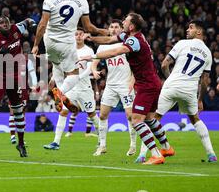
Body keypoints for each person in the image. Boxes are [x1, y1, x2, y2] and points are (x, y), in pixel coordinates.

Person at [79, 13, 172, 165]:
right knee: (149, 119)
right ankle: (166, 148)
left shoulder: (134, 41)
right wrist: (92, 39)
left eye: (125, 20)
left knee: (136, 120)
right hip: (151, 82)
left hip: (146, 85)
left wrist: (94, 56)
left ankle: (155, 154)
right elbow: (109, 40)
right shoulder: (131, 37)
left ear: (131, 26)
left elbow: (116, 51)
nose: (123, 21)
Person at [144, 20, 216, 163]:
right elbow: (205, 81)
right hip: (189, 91)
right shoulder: (208, 53)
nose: (187, 30)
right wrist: (200, 99)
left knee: (153, 118)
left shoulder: (182, 43)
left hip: (172, 85)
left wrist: (170, 78)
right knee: (195, 119)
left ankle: (144, 155)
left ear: (199, 32)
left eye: (191, 27)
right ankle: (211, 154)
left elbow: (164, 64)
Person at [31, 0, 107, 112]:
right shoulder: (81, 0)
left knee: (57, 67)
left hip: (49, 41)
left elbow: (42, 24)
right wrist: (103, 31)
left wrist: (36, 44)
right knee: (73, 75)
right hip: (67, 42)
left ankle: (59, 92)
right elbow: (88, 27)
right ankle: (60, 93)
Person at [0, 16, 36, 158]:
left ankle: (21, 144)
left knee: (18, 111)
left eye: (7, 23)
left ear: (10, 23)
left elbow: (28, 20)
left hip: (15, 76)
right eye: (2, 23)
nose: (5, 25)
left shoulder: (17, 28)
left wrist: (33, 24)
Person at [43, 29, 100, 150]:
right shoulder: (68, 49)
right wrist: (53, 77)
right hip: (71, 88)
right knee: (63, 111)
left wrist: (78, 77)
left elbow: (90, 69)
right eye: (76, 34)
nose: (78, 36)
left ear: (84, 36)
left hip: (85, 88)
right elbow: (60, 66)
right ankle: (56, 142)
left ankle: (102, 139)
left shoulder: (89, 50)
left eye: (81, 34)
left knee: (91, 114)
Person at [90, 19, 138, 156]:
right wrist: (94, 70)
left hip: (125, 84)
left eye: (117, 27)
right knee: (103, 115)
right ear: (109, 30)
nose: (114, 29)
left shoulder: (128, 43)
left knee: (130, 116)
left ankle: (133, 145)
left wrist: (132, 81)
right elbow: (95, 61)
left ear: (121, 30)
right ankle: (102, 146)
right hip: (111, 85)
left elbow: (136, 65)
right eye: (111, 27)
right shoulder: (103, 46)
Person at [8, 55, 38, 144]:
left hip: (23, 88)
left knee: (22, 112)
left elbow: (32, 73)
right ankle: (12, 136)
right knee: (12, 111)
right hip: (12, 86)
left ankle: (21, 138)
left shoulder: (27, 61)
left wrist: (35, 85)